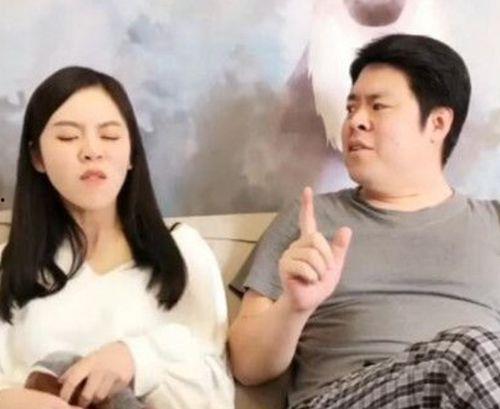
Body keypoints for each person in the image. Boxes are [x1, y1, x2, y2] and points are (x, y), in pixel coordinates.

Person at [229, 33, 500, 408]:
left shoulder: (493, 224)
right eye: (351, 107)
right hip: (343, 398)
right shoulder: (311, 220)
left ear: (437, 123)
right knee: (467, 353)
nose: (355, 121)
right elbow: (246, 365)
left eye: (378, 106)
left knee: (474, 353)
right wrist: (294, 306)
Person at [0, 66, 234, 409]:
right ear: (37, 157)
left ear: (131, 154)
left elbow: (217, 393)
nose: (92, 151)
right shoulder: (10, 264)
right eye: (68, 137)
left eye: (109, 136)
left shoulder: (181, 251)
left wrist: (136, 358)